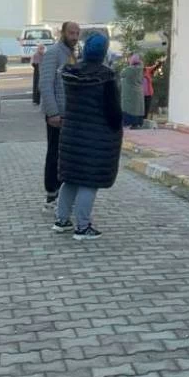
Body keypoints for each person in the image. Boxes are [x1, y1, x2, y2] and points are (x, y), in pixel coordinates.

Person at [52, 33, 122, 240]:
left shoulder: (71, 73)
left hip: (71, 134)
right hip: (96, 138)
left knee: (70, 179)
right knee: (88, 182)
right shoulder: (106, 77)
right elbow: (113, 111)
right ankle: (82, 227)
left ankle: (61, 220)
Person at [40, 21, 80, 209]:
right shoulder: (53, 53)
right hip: (57, 115)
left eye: (77, 33)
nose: (74, 37)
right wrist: (52, 112)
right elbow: (45, 84)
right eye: (71, 33)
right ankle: (51, 194)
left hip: (70, 115)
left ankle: (64, 194)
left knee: (67, 156)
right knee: (54, 154)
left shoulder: (72, 54)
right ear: (62, 33)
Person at [120, 54, 146, 128]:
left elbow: (122, 74)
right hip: (138, 92)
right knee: (137, 108)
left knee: (129, 108)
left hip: (129, 93)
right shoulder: (141, 69)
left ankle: (128, 123)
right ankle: (137, 123)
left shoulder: (129, 69)